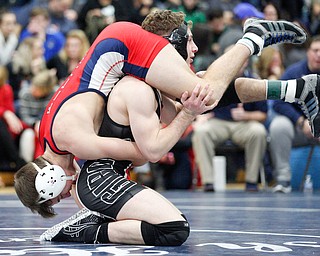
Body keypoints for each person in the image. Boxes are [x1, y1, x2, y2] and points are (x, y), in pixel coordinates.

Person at [12, 9, 320, 244]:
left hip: (121, 49)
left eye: (56, 196)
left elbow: (147, 152)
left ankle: (253, 37)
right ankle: (295, 90)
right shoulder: (51, 135)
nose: (64, 197)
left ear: (49, 180)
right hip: (116, 49)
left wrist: (184, 114)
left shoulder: (73, 140)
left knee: (203, 96)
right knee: (202, 87)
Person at [192, 53, 268, 192]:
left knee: (259, 132)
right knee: (201, 132)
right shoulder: (214, 80)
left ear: (245, 62)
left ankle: (252, 180)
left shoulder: (253, 80)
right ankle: (208, 181)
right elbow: (199, 103)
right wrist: (200, 115)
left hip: (244, 125)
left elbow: (263, 114)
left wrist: (246, 115)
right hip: (218, 122)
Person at [268, 35, 320, 193]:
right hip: (298, 127)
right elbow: (278, 102)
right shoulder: (294, 72)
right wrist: (300, 121)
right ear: (308, 52)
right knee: (278, 126)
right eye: (315, 50)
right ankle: (283, 179)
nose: (319, 55)